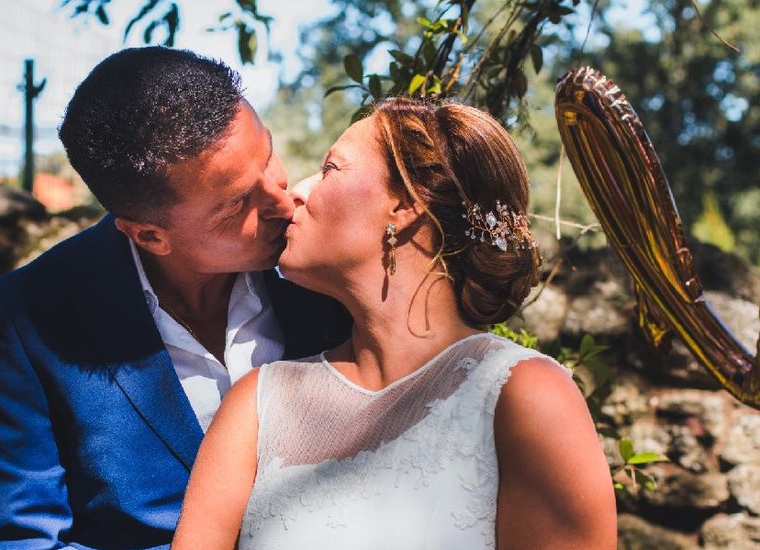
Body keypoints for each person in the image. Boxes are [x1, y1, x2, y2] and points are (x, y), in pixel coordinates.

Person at [172, 98, 618, 549]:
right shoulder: (256, 404)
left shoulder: (524, 396)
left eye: (330, 169)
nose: (296, 193)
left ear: (405, 203)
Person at [0, 47, 348, 549]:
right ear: (149, 236)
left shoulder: (327, 263)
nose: (281, 200)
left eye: (268, 156)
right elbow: (10, 539)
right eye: (236, 205)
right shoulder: (31, 315)